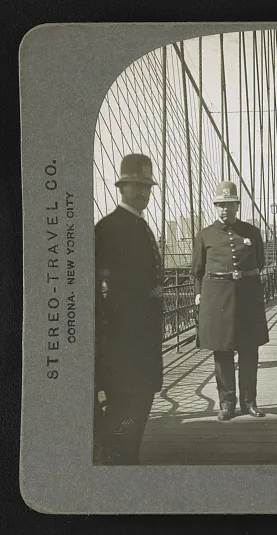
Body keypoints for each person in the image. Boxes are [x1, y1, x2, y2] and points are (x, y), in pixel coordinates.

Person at [94, 153, 163, 464]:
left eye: (147, 187)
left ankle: (127, 462)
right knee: (126, 408)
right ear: (121, 187)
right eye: (136, 186)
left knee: (138, 405)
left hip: (142, 340)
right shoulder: (108, 228)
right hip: (123, 342)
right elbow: (100, 290)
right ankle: (122, 467)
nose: (143, 192)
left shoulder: (137, 224)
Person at [191, 181, 270, 420]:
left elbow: (260, 262)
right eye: (221, 205)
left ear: (237, 206)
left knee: (249, 351)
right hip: (218, 300)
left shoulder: (251, 232)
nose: (225, 209)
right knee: (222, 352)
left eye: (230, 204)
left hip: (247, 298)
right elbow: (197, 270)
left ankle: (249, 403)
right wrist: (199, 294)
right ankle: (226, 404)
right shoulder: (205, 235)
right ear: (215, 207)